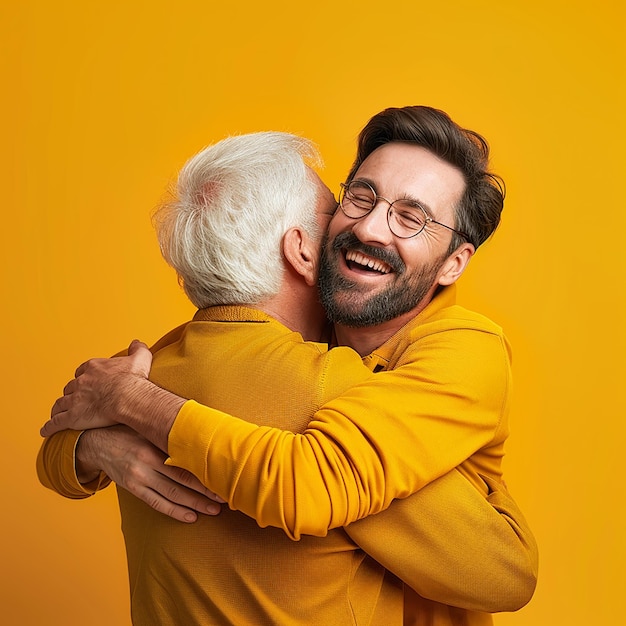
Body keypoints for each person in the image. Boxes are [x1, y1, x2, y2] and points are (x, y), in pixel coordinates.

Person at [39, 112, 537, 625]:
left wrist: (130, 408)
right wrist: (92, 445)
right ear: (301, 249)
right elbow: (63, 431)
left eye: (412, 217)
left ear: (455, 262)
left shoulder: (461, 351)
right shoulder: (301, 362)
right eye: (359, 197)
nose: (367, 227)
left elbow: (317, 484)